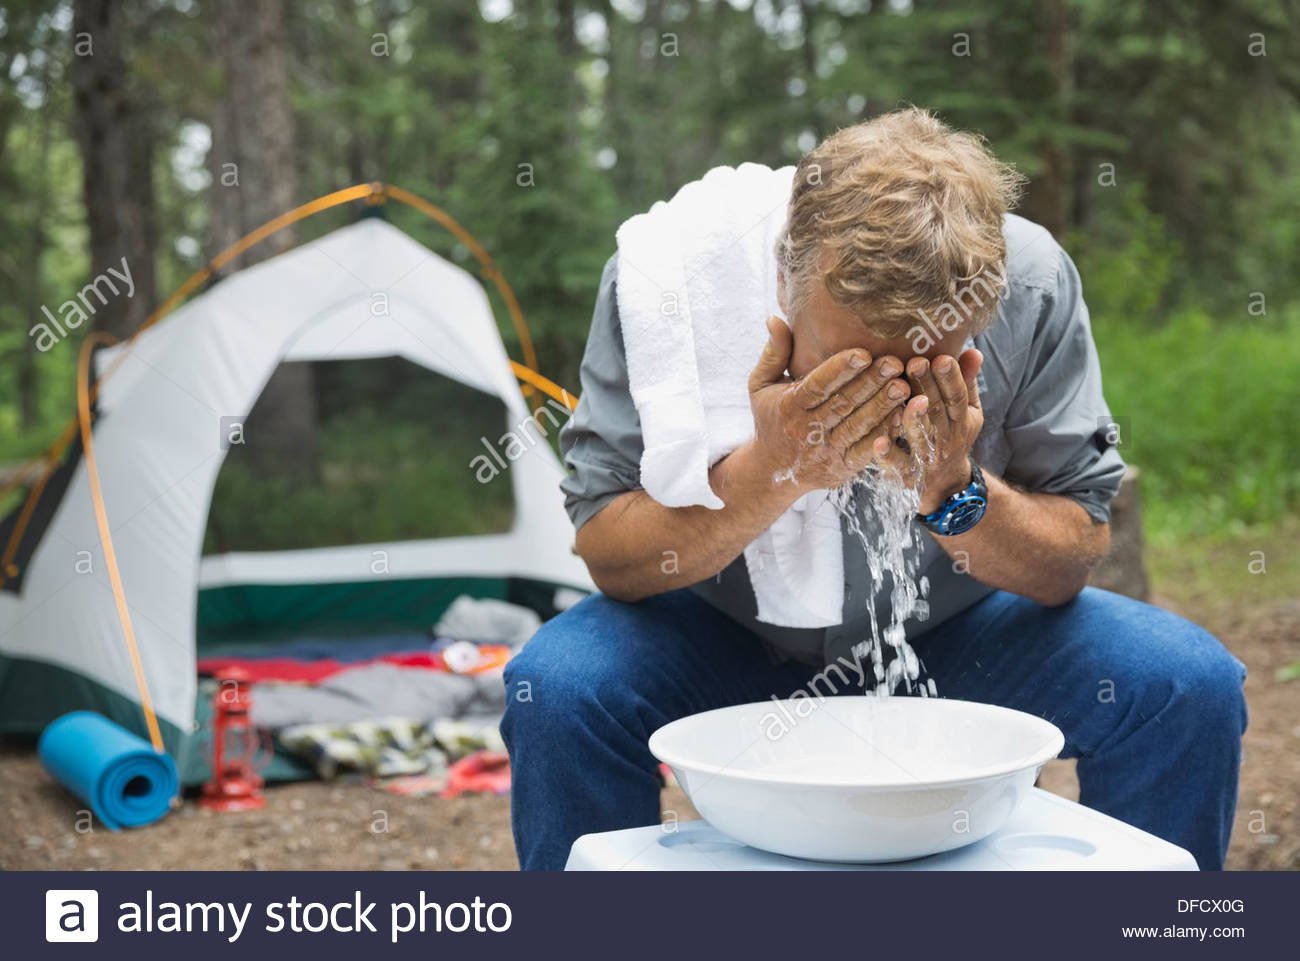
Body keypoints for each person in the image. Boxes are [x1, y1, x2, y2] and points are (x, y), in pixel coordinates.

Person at [501, 108, 1247, 870]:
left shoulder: (1031, 281)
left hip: (951, 628)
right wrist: (774, 470)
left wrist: (953, 489)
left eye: (916, 373)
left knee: (1186, 685)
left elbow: (1073, 556)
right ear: (784, 274)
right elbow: (607, 552)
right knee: (558, 688)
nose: (878, 403)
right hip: (719, 628)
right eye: (846, 367)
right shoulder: (664, 283)